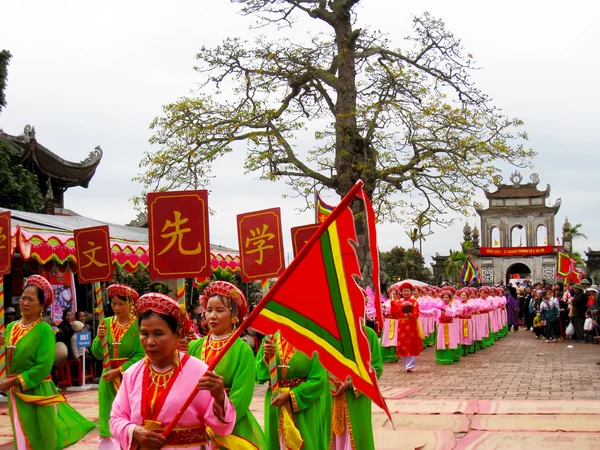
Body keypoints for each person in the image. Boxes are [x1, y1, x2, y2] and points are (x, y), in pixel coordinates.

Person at [110, 292, 236, 449]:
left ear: (178, 335)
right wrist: (135, 431)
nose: (149, 342)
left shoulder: (199, 372)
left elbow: (222, 428)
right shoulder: (132, 373)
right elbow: (116, 419)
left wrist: (219, 398)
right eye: (144, 334)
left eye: (158, 334)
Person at [0, 275, 96, 449]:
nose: (25, 303)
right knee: (21, 434)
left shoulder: (45, 330)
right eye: (23, 298)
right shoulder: (11, 327)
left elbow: (43, 366)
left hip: (38, 389)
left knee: (43, 435)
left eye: (31, 299)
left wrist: (14, 381)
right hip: (16, 392)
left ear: (41, 305)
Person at [188, 281, 266, 449]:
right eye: (209, 310)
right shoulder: (193, 346)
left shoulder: (242, 350)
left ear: (234, 315)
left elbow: (241, 396)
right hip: (196, 426)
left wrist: (215, 425)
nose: (212, 316)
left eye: (220, 310)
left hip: (231, 426)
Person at [91, 284, 144, 450]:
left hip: (130, 378)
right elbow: (97, 354)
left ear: (131, 304)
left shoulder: (138, 325)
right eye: (114, 303)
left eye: (121, 304)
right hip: (107, 378)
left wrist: (120, 371)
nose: (117, 307)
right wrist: (100, 340)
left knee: (130, 414)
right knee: (108, 415)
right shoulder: (105, 323)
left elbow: (141, 354)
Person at [256, 331, 328, 450]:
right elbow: (258, 375)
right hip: (275, 401)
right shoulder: (270, 338)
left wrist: (291, 396)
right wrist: (266, 358)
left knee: (306, 441)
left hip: (303, 406)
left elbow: (319, 380)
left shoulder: (315, 340)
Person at [325, 324, 382, 449]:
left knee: (357, 437)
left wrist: (351, 383)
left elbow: (376, 369)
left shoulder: (368, 334)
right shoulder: (327, 332)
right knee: (329, 438)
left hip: (356, 398)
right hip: (329, 396)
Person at [385, 281, 422, 372]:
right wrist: (393, 303)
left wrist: (411, 315)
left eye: (408, 291)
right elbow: (394, 314)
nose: (406, 292)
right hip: (401, 325)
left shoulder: (414, 302)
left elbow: (417, 313)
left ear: (411, 292)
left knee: (411, 344)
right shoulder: (399, 302)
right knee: (401, 345)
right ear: (401, 292)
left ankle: (410, 365)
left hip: (411, 324)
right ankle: (406, 363)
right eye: (404, 291)